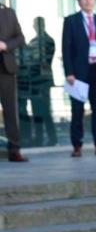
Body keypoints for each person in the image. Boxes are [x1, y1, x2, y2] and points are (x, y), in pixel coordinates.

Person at [62, 0, 96, 157]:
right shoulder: (71, 21)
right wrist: (69, 72)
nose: (88, 1)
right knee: (77, 111)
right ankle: (77, 145)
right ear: (79, 1)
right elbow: (66, 48)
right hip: (78, 73)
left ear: (94, 1)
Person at [16, 17, 57, 147]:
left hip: (38, 82)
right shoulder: (49, 40)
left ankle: (43, 139)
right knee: (42, 111)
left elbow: (35, 60)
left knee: (40, 111)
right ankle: (47, 138)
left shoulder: (38, 42)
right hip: (41, 81)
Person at [0, 2, 27, 162]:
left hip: (6, 69)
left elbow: (20, 38)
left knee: (10, 111)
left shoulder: (9, 13)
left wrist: (5, 45)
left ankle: (14, 150)